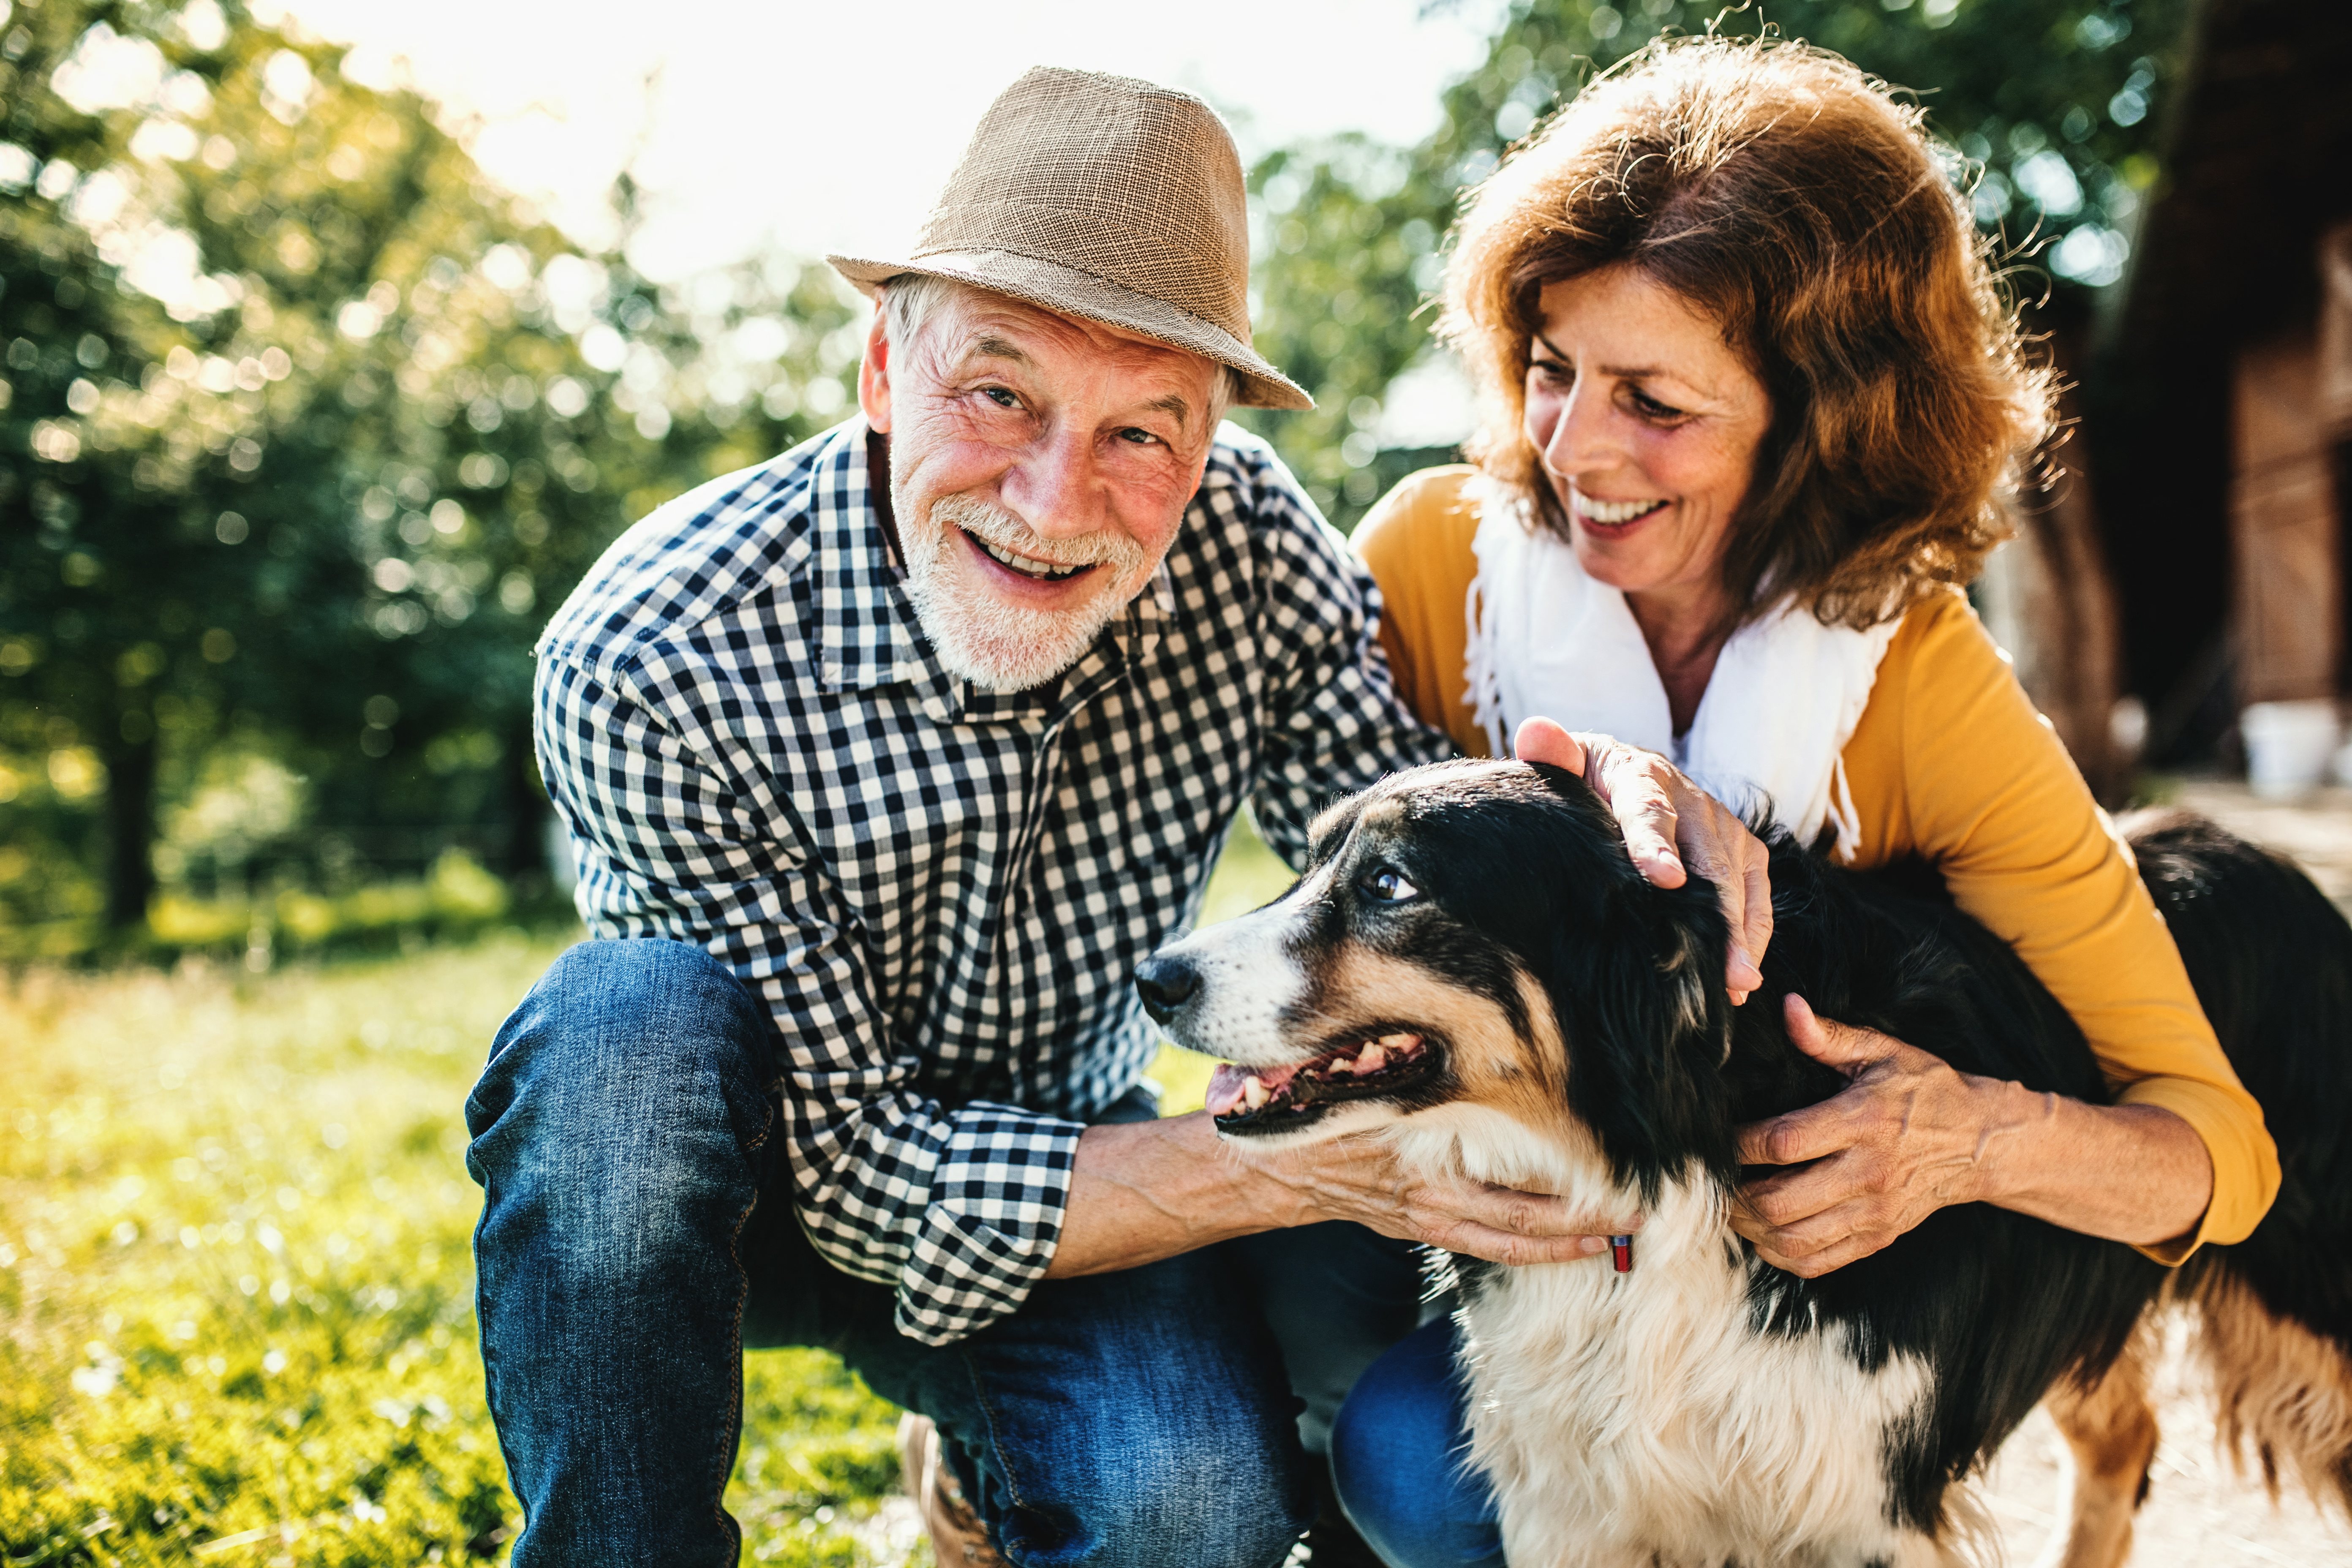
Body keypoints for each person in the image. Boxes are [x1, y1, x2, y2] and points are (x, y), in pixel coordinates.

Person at [464, 66, 1767, 1568]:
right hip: (737, 1187)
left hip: (1074, 1172)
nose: (1054, 495)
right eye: (998, 391)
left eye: (1143, 431)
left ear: (1209, 442)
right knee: (620, 1039)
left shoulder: (1252, 556)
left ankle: (976, 1450)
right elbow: (859, 1175)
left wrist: (1611, 809)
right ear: (884, 375)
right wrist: (1278, 1170)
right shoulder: (653, 650)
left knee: (1192, 1517)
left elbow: (1416, 856)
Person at [1331, 36, 2283, 1568]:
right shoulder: (1435, 563)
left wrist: (1970, 1141)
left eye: (1658, 400)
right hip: (1496, 1258)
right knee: (1414, 1463)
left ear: (1823, 415)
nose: (1578, 448)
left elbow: (2217, 1157)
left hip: (1780, 1322)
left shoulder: (1926, 691)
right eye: (1555, 368)